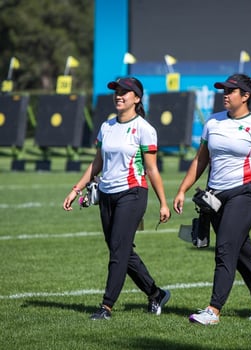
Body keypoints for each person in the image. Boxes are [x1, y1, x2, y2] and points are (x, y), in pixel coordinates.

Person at [173, 73, 251, 325]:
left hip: (246, 192)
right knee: (242, 251)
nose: (225, 94)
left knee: (225, 249)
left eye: (231, 91)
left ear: (246, 96)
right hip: (215, 196)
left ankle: (213, 310)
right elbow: (201, 159)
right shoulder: (213, 122)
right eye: (224, 90)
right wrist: (182, 189)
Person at [63, 77, 171, 320]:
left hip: (133, 193)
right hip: (107, 194)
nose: (119, 95)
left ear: (137, 98)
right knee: (120, 249)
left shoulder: (145, 129)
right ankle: (156, 293)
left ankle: (106, 306)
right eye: (117, 91)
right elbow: (97, 162)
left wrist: (163, 202)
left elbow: (152, 169)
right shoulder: (107, 126)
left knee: (118, 252)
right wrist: (76, 189)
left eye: (125, 92)